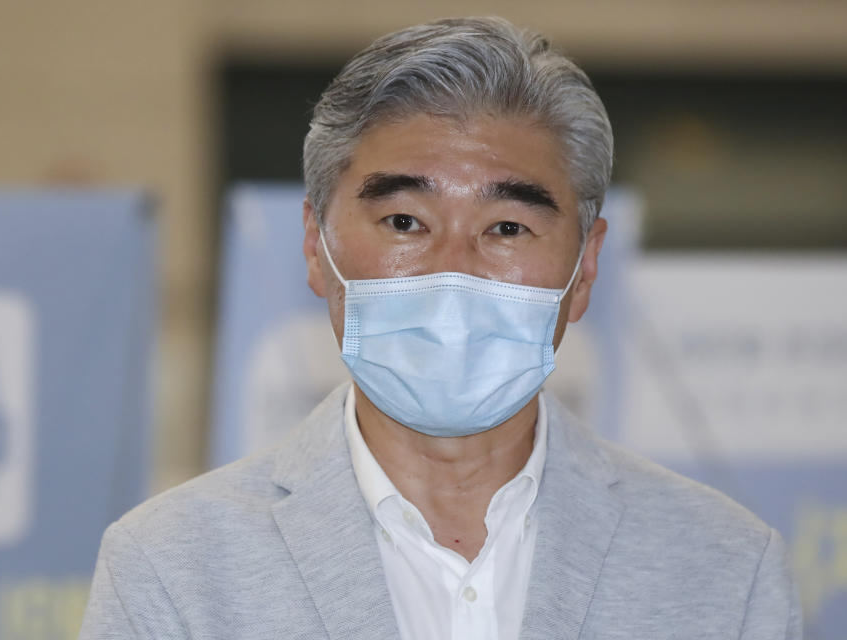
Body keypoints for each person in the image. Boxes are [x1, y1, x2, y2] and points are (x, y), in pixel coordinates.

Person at [80, 17, 801, 639]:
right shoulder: (173, 568)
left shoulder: (725, 570)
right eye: (404, 222)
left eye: (508, 227)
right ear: (315, 247)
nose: (452, 271)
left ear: (584, 270)